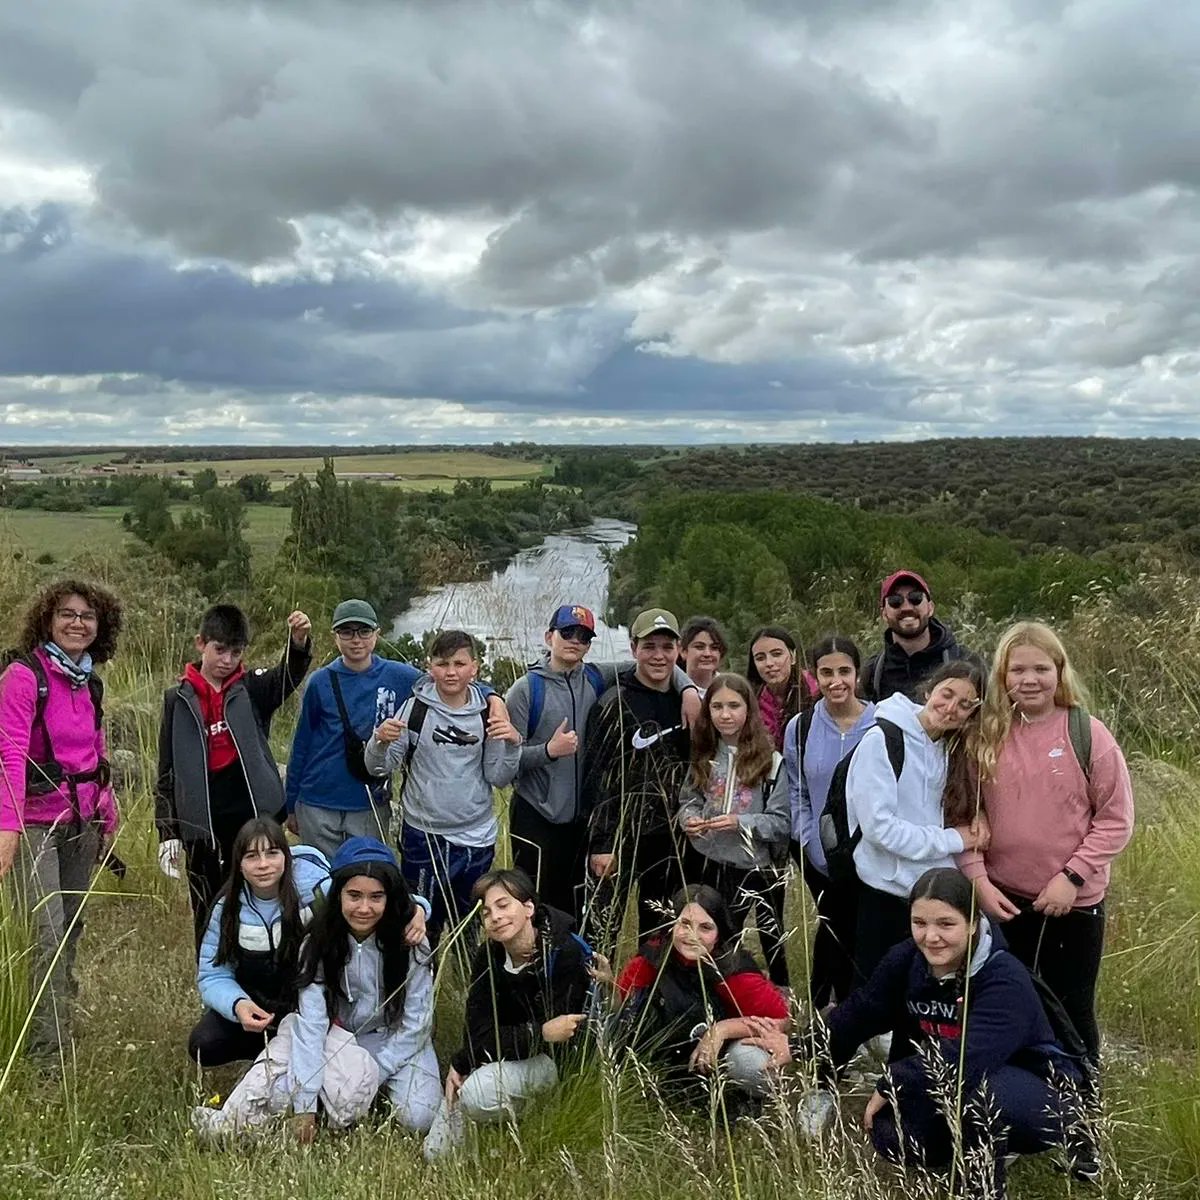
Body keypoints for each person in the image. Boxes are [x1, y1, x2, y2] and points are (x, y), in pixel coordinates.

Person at [747, 868, 1095, 1196]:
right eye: (919, 923)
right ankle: (975, 1144)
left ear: (974, 923)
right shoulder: (908, 960)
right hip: (956, 1082)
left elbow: (968, 1058)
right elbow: (862, 1010)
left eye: (946, 924)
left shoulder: (1004, 978)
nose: (931, 937)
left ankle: (983, 1186)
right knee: (892, 1134)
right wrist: (799, 1044)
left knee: (978, 1095)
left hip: (1037, 1091)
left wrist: (893, 1080)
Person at [961, 621, 1134, 1063]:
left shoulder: (1087, 733)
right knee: (1006, 1005)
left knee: (1070, 1009)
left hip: (1072, 903)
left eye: (1041, 668)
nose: (1030, 679)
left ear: (1059, 672)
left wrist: (1071, 878)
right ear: (1003, 676)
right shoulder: (986, 735)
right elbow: (963, 814)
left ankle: (1082, 1110)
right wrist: (978, 880)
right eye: (1018, 670)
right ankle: (1023, 1100)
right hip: (1003, 900)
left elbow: (1116, 819)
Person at [191, 837, 440, 1143]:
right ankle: (229, 1123)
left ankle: (355, 1093)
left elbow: (417, 1022)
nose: (364, 908)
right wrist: (305, 1105)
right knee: (287, 1088)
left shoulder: (411, 943)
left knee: (420, 1117)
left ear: (390, 898)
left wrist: (375, 1070)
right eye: (354, 896)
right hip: (338, 1037)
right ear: (338, 896)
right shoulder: (319, 942)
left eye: (376, 897)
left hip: (394, 1039)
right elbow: (312, 1023)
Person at [504, 604, 700, 919]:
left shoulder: (596, 676)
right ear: (548, 636)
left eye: (583, 636)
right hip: (540, 818)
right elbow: (502, 768)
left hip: (583, 824)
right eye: (567, 632)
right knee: (538, 908)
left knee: (577, 912)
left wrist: (688, 688)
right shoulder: (527, 689)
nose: (574, 641)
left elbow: (659, 663)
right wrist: (548, 751)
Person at [0, 578, 122, 1059]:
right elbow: (8, 757)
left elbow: (97, 754)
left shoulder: (88, 681)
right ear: (48, 620)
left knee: (70, 930)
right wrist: (7, 831)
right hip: (34, 826)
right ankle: (44, 1054)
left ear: (99, 627)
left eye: (87, 616)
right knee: (45, 936)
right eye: (67, 614)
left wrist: (106, 818)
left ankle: (58, 1028)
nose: (77, 623)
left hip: (81, 824)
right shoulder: (23, 677)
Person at [286, 600, 505, 859]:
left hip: (368, 800)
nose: (356, 640)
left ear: (377, 634)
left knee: (367, 873)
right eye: (347, 632)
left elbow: (448, 682)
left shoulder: (399, 676)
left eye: (364, 631)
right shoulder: (320, 681)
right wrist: (291, 804)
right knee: (321, 880)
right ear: (335, 636)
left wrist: (492, 696)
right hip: (317, 799)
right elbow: (301, 745)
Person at [156, 604, 313, 950]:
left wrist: (298, 641)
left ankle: (273, 968)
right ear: (201, 643)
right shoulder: (176, 699)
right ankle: (214, 979)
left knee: (266, 895)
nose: (227, 660)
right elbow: (166, 771)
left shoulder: (252, 688)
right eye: (220, 649)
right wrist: (167, 831)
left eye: (236, 652)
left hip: (255, 816)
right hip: (203, 826)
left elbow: (286, 676)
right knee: (209, 907)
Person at [365, 629, 521, 948]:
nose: (451, 672)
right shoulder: (414, 709)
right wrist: (379, 741)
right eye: (443, 663)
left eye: (459, 664)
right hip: (424, 837)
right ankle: (423, 992)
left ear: (474, 667)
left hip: (476, 839)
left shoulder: (487, 712)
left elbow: (498, 776)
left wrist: (512, 743)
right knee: (422, 926)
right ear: (429, 666)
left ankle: (468, 987)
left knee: (472, 926)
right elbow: (379, 767)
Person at [423, 868, 593, 1160]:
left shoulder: (565, 952)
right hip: (505, 1053)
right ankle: (496, 1110)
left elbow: (563, 1038)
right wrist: (463, 1062)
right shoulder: (488, 956)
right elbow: (478, 1029)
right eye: (486, 912)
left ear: (528, 907)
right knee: (435, 1154)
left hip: (553, 1063)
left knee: (476, 1095)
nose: (495, 917)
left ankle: (539, 1110)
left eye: (504, 905)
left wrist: (529, 1037)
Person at [846, 660, 989, 981]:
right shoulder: (882, 740)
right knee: (878, 991)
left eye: (965, 704)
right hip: (884, 892)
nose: (951, 707)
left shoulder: (950, 747)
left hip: (930, 895)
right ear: (928, 690)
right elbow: (879, 829)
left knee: (924, 988)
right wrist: (956, 839)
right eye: (946, 694)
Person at [608, 884, 788, 1104]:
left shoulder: (732, 971)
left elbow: (781, 1020)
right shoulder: (651, 959)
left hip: (724, 1051)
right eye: (684, 924)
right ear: (671, 925)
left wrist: (721, 1030)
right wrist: (607, 984)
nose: (692, 935)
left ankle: (734, 1093)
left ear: (718, 933)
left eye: (705, 927)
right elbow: (622, 1007)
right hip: (669, 1052)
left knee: (752, 1064)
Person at [582, 608, 695, 949]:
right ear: (633, 649)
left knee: (659, 932)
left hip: (670, 837)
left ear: (678, 650)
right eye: (649, 646)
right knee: (603, 930)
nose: (658, 655)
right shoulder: (614, 702)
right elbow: (596, 777)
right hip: (620, 837)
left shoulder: (685, 702)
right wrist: (601, 844)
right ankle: (596, 1001)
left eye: (666, 646)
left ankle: (647, 1001)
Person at [677, 673, 791, 989]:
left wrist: (741, 822)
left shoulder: (772, 762)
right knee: (719, 933)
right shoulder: (703, 755)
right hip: (709, 860)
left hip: (756, 865)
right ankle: (719, 991)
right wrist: (689, 819)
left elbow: (782, 823)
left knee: (771, 934)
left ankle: (782, 995)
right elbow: (688, 800)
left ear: (749, 710)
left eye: (734, 706)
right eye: (717, 707)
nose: (725, 715)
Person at [190, 818, 331, 1066]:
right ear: (239, 864)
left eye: (272, 853)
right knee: (204, 1044)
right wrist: (238, 1005)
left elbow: (377, 900)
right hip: (257, 1007)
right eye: (252, 856)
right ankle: (265, 1054)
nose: (263, 865)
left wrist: (418, 909)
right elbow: (212, 974)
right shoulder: (226, 908)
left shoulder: (316, 892)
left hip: (311, 1007)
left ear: (286, 857)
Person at [785, 634, 875, 1008]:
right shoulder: (800, 727)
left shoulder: (881, 722)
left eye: (844, 671)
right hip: (819, 853)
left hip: (871, 851)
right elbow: (796, 791)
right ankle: (822, 1008)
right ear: (813, 675)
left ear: (857, 674)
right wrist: (811, 843)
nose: (836, 681)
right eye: (826, 672)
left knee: (864, 929)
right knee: (831, 923)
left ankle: (858, 1006)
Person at [862, 570, 981, 703]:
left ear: (930, 608)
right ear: (884, 614)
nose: (906, 607)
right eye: (895, 601)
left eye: (916, 598)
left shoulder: (966, 661)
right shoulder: (872, 672)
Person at [746, 626, 817, 751]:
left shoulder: (815, 690)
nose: (769, 663)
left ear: (793, 656)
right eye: (760, 658)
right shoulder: (751, 699)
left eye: (776, 654)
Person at [679, 616, 728, 698]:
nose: (707, 654)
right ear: (683, 651)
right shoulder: (675, 691)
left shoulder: (731, 688)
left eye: (714, 648)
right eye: (699, 647)